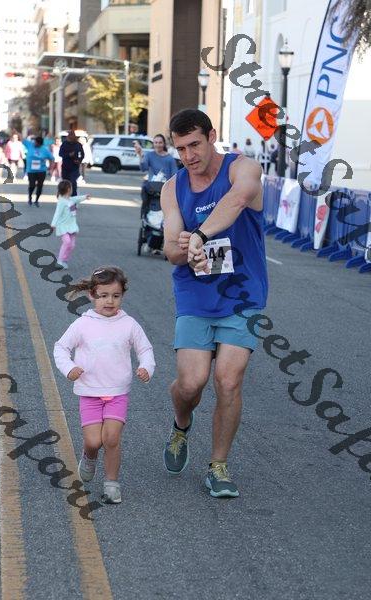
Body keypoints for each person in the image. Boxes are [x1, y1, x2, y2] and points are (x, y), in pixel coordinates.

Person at [161, 109, 267, 498]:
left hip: (243, 294)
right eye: (180, 149)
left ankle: (218, 466)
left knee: (228, 379)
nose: (189, 156)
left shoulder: (243, 168)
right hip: (195, 293)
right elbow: (170, 248)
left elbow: (239, 199)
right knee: (191, 383)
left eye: (195, 145)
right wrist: (187, 251)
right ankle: (181, 425)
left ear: (212, 136)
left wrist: (200, 236)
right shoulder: (173, 188)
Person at [53, 266, 156, 504]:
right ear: (92, 295)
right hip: (89, 393)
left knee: (111, 439)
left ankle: (111, 484)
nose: (110, 301)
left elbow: (145, 349)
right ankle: (89, 456)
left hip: (117, 393)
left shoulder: (129, 324)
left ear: (122, 295)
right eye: (103, 295)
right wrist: (69, 368)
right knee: (93, 441)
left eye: (116, 296)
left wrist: (146, 367)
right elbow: (61, 347)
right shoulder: (83, 324)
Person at [50, 179, 90, 269]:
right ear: (68, 189)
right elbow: (57, 213)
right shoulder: (61, 202)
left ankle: (64, 260)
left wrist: (85, 197)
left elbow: (77, 198)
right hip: (63, 226)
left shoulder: (71, 199)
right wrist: (53, 224)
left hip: (72, 226)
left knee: (71, 245)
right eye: (71, 188)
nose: (72, 189)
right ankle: (59, 261)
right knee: (67, 242)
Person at [23, 135, 53, 206]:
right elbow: (22, 139)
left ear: (40, 144)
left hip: (41, 171)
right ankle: (30, 196)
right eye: (35, 142)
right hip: (31, 171)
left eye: (36, 143)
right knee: (32, 185)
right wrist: (16, 132)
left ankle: (36, 200)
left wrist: (50, 168)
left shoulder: (45, 150)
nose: (35, 143)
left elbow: (52, 158)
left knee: (40, 186)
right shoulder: (30, 145)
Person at [59, 131, 84, 196]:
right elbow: (60, 154)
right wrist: (69, 155)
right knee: (65, 183)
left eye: (72, 136)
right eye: (70, 136)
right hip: (65, 166)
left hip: (74, 167)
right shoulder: (64, 144)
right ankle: (64, 197)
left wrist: (79, 160)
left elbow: (82, 154)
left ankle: (73, 198)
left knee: (73, 182)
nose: (71, 137)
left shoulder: (78, 145)